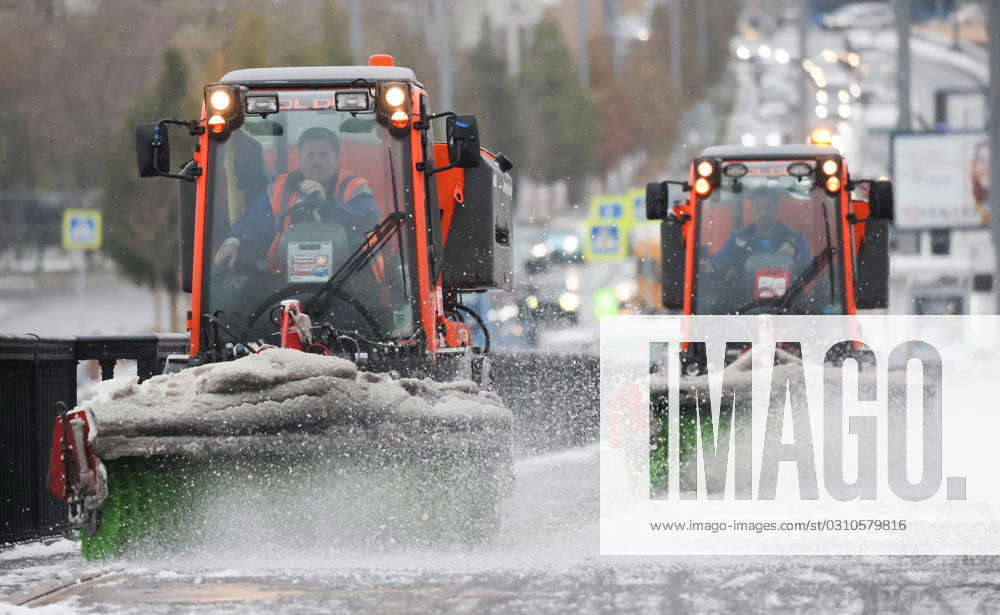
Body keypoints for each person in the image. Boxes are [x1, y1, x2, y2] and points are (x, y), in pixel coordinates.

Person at [214, 126, 380, 269]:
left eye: (324, 155)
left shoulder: (354, 187)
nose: (317, 162)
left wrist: (325, 203)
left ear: (337, 159)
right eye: (310, 154)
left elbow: (364, 222)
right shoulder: (279, 188)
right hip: (284, 275)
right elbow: (251, 220)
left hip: (347, 273)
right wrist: (233, 241)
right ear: (299, 158)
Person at [703, 188, 811, 278]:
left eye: (768, 207)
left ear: (776, 209)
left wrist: (795, 258)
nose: (763, 213)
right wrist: (707, 266)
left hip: (789, 297)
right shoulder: (739, 240)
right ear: (752, 211)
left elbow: (808, 270)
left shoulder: (795, 238)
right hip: (745, 300)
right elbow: (719, 263)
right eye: (758, 208)